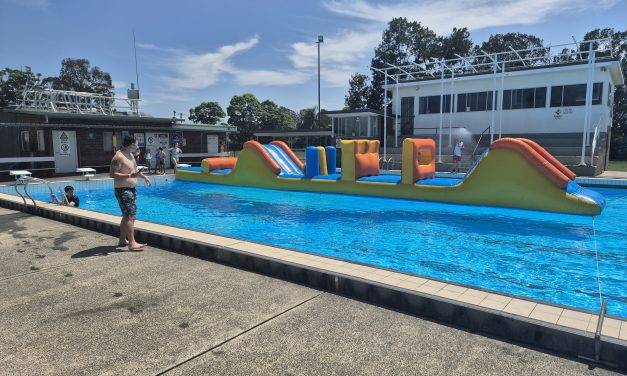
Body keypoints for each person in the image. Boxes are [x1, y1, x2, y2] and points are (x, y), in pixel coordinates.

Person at [110, 136, 151, 251]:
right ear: (131, 144)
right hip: (123, 190)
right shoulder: (118, 157)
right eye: (136, 144)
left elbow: (133, 171)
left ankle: (122, 240)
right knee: (130, 216)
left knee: (126, 215)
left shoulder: (130, 155)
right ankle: (132, 243)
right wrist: (129, 176)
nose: (138, 146)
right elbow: (112, 174)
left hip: (131, 189)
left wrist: (144, 177)